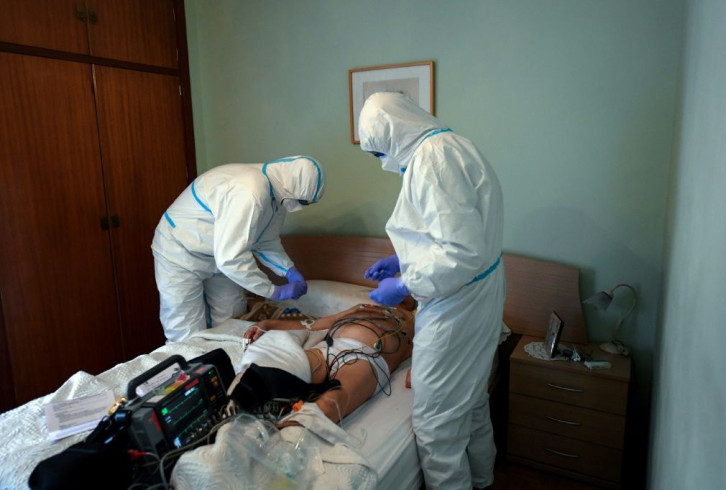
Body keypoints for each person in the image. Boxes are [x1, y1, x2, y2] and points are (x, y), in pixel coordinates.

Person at [358, 92, 505, 490]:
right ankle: (482, 480)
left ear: (391, 132)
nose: (382, 162)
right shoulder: (453, 145)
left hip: (456, 304)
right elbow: (450, 235)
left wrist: (405, 283)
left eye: (377, 153)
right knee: (472, 401)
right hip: (479, 293)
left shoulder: (431, 160)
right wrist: (403, 260)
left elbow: (460, 251)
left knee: (436, 424)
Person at [151, 156, 324, 343]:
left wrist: (288, 270)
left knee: (232, 320)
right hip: (180, 251)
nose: (301, 207)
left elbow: (265, 241)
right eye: (303, 202)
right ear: (293, 189)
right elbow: (230, 259)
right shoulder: (250, 192)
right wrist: (273, 291)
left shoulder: (277, 198)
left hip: (219, 255)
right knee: (185, 331)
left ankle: (228, 365)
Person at [236, 300, 415, 424]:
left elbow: (432, 352)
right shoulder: (364, 306)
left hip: (366, 357)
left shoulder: (419, 319)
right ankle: (237, 409)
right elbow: (314, 324)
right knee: (268, 372)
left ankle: (285, 439)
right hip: (327, 348)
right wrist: (268, 324)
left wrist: (418, 370)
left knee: (330, 403)